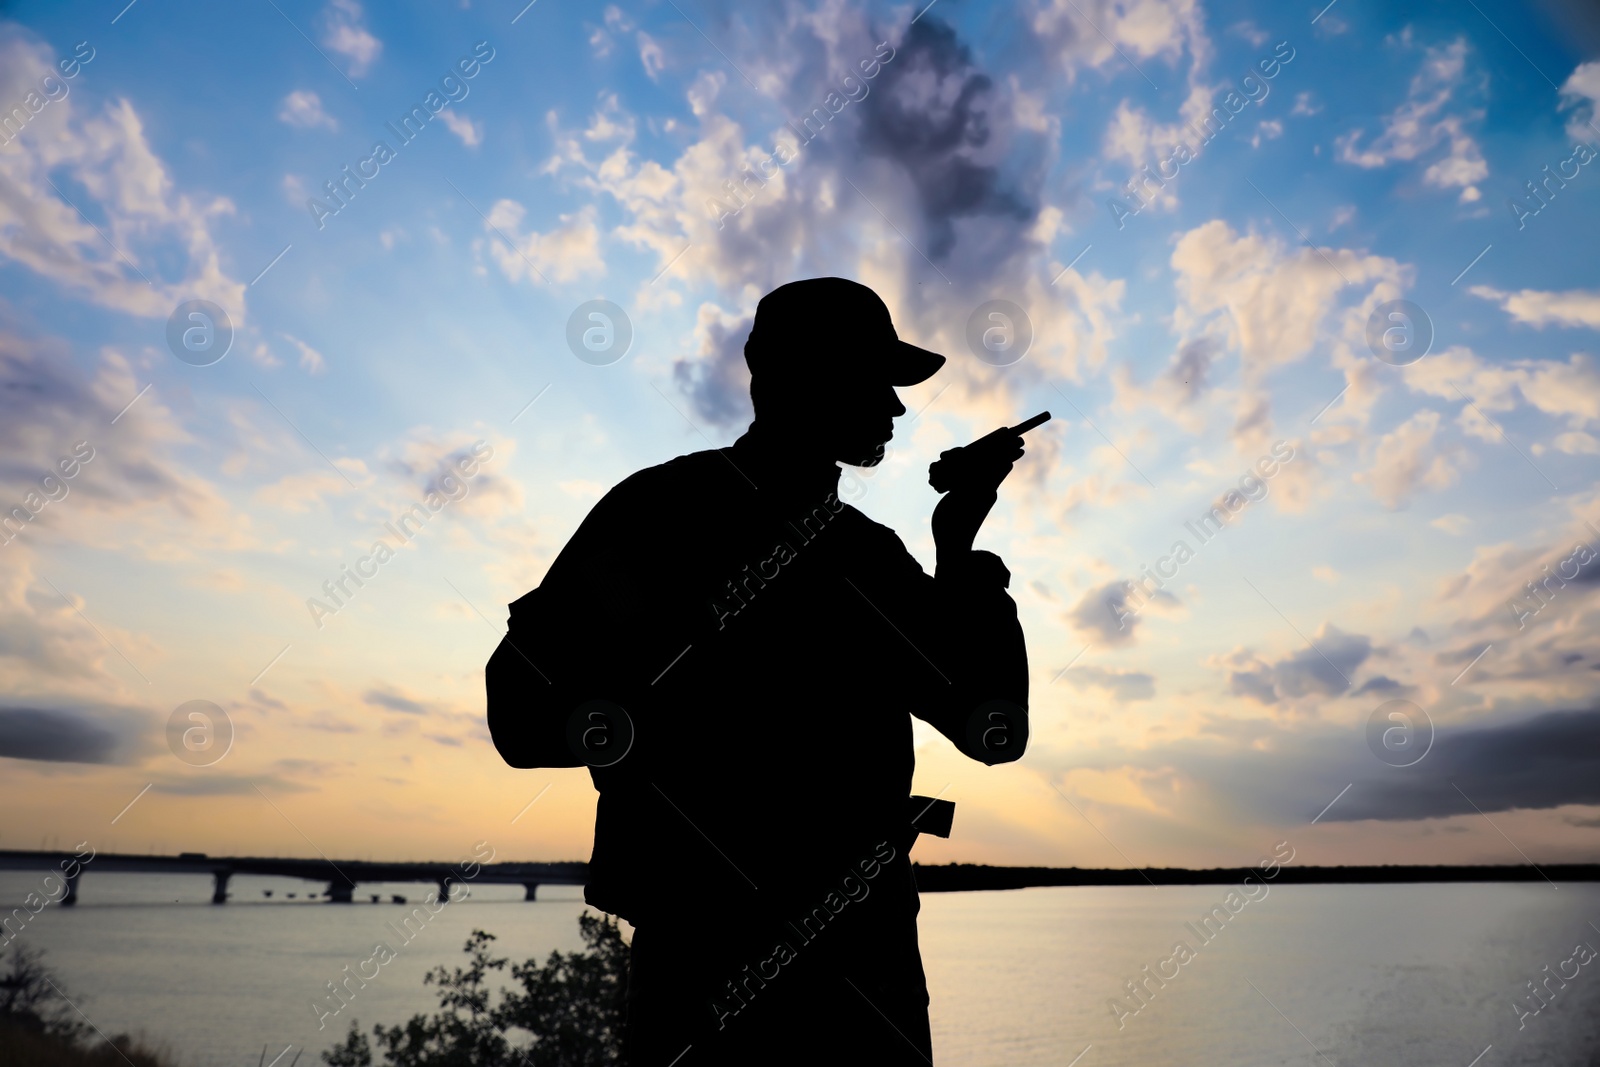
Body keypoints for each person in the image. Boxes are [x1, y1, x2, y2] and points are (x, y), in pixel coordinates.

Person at [486, 277, 1032, 1065]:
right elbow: (522, 704)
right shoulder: (682, 523)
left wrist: (956, 548)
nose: (897, 408)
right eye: (877, 381)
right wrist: (675, 730)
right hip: (775, 971)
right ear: (812, 378)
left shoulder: (841, 551)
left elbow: (989, 727)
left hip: (808, 969)